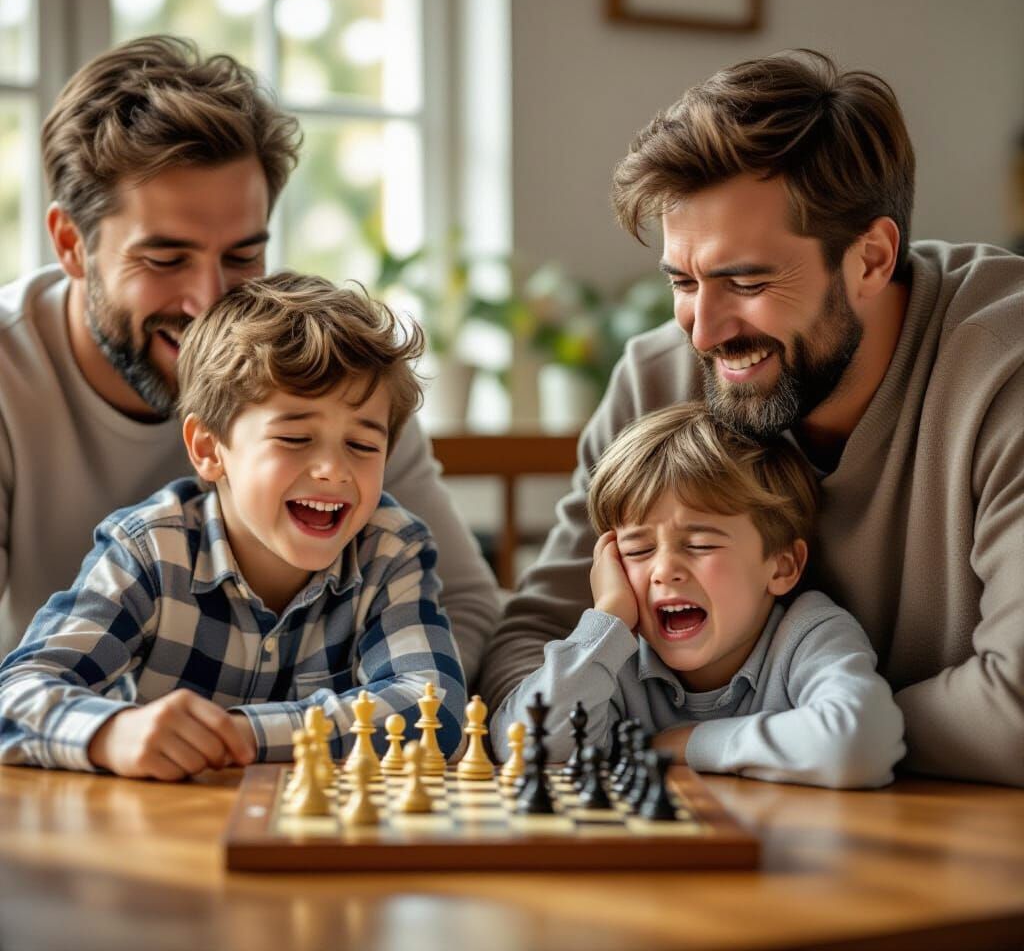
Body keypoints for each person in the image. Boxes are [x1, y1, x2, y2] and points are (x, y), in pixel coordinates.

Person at [480, 49, 1024, 786]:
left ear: (870, 259)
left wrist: (772, 729)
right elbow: (527, 651)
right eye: (682, 281)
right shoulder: (658, 377)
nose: (702, 331)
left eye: (746, 280)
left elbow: (1016, 710)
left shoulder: (1003, 369)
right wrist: (801, 735)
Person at [0, 35, 500, 682]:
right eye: (165, 258)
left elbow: (463, 605)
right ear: (72, 244)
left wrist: (296, 732)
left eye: (242, 256)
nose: (208, 300)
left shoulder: (322, 377)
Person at [0, 273, 467, 778]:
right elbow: (18, 695)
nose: (334, 469)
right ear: (208, 448)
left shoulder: (390, 551)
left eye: (362, 446)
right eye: (294, 438)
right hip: (151, 834)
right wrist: (110, 734)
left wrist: (237, 735)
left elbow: (432, 710)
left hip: (304, 840)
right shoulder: (148, 551)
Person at [491, 403, 904, 789]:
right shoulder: (613, 657)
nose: (665, 569)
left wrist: (687, 744)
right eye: (637, 551)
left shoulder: (809, 634)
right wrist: (607, 620)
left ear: (781, 566)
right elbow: (522, 746)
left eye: (701, 545)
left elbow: (859, 744)